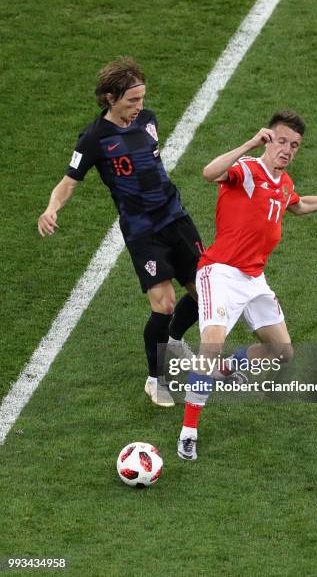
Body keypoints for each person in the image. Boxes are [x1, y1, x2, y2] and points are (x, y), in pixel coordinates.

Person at [177, 109, 317, 460]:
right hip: (220, 272)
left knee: (283, 352)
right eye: (282, 141)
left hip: (254, 280)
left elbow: (299, 206)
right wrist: (251, 142)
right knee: (210, 347)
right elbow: (210, 173)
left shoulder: (283, 184)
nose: (288, 149)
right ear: (269, 138)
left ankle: (230, 368)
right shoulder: (248, 169)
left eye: (294, 145)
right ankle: (189, 431)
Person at [38, 57, 203, 408]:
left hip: (176, 217)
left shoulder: (148, 120)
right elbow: (68, 183)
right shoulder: (94, 138)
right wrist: (51, 209)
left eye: (142, 98)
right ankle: (154, 379)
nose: (139, 107)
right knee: (164, 304)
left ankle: (174, 339)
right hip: (143, 230)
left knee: (205, 294)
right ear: (110, 98)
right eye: (132, 100)